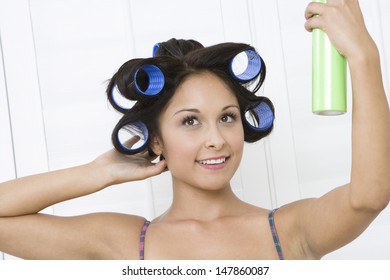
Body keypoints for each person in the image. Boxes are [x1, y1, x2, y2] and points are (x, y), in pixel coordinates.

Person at [0, 0, 389, 260]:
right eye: (190, 121)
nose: (216, 138)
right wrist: (98, 172)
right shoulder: (127, 242)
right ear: (156, 139)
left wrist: (363, 55)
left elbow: (369, 197)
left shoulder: (287, 232)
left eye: (227, 117)